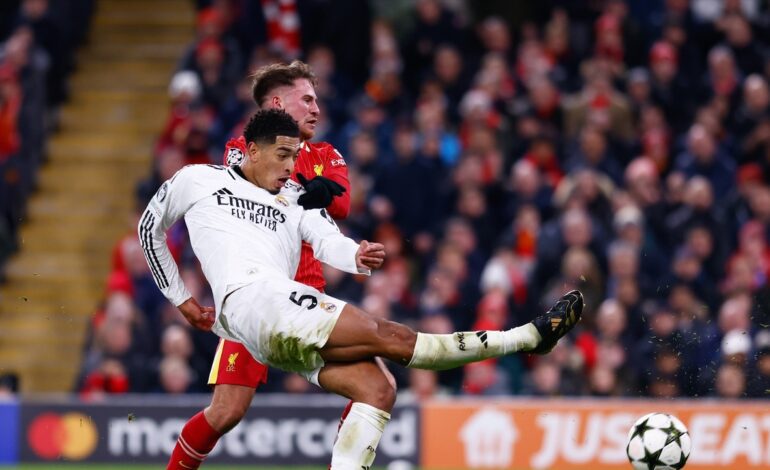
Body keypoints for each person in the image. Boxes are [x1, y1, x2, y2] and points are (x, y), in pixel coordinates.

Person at [140, 108, 583, 469]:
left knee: (378, 390)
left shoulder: (294, 196)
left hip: (271, 323)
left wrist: (355, 255)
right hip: (251, 304)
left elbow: (327, 239)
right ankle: (528, 338)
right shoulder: (199, 179)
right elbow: (149, 229)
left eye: (295, 156)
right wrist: (181, 299)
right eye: (282, 155)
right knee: (394, 339)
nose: (291, 166)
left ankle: (530, 339)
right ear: (251, 150)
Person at [166, 61, 377, 470]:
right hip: (253, 295)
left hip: (306, 301)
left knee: (374, 386)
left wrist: (316, 190)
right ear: (278, 102)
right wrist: (304, 184)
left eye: (317, 100)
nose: (317, 109)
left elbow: (344, 203)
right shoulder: (243, 146)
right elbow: (247, 182)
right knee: (227, 411)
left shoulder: (327, 153)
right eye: (307, 99)